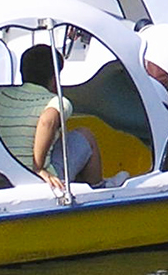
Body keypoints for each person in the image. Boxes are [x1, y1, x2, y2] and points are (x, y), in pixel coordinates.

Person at [21, 43, 105, 191]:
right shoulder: (56, 102)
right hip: (41, 178)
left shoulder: (0, 97)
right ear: (54, 80)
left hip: (10, 173)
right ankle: (98, 189)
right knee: (86, 136)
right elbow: (47, 120)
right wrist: (38, 168)